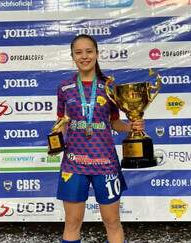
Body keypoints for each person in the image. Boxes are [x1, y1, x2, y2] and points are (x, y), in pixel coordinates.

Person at [54, 34, 144, 243]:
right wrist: (56, 137)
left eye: (89, 51)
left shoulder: (109, 87)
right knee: (72, 222)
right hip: (74, 163)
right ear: (72, 56)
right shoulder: (64, 88)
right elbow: (62, 123)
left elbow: (114, 123)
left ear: (96, 54)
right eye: (78, 52)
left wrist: (132, 126)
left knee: (112, 222)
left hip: (106, 163)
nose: (84, 56)